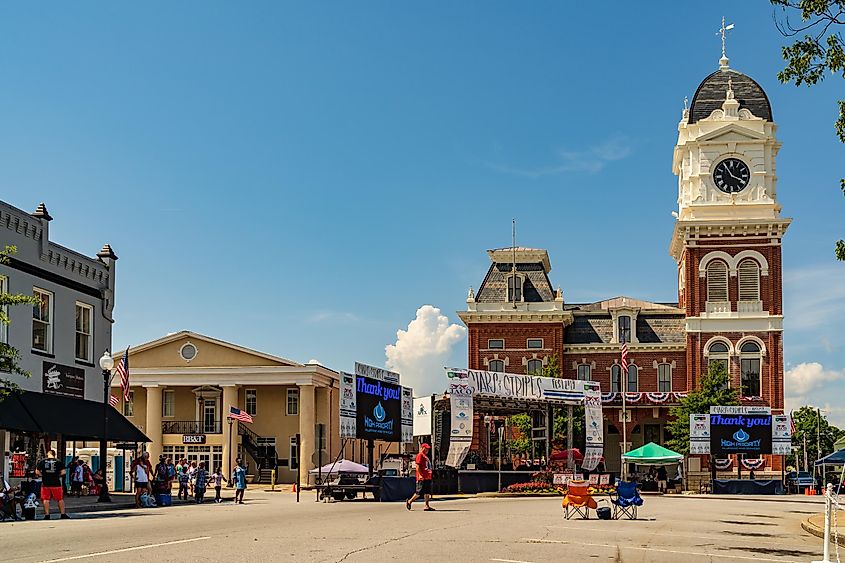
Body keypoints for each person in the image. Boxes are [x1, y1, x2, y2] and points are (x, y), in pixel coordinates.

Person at [36, 449, 69, 520]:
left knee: (46, 499)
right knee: (60, 499)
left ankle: (47, 515)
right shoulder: (58, 461)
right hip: (56, 483)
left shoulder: (42, 461)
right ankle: (63, 514)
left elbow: (37, 472)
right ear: (54, 454)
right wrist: (57, 475)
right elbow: (63, 472)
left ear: (48, 454)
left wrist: (43, 475)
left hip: (45, 483)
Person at [405, 442, 434, 511]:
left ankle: (426, 505)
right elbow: (417, 466)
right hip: (422, 477)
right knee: (419, 492)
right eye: (426, 448)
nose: (427, 450)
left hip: (427, 477)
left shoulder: (425, 456)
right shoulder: (420, 455)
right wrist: (420, 475)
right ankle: (409, 501)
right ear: (422, 448)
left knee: (427, 492)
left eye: (428, 449)